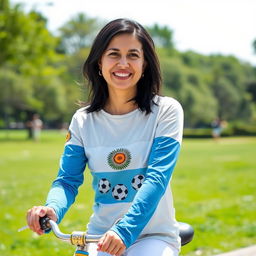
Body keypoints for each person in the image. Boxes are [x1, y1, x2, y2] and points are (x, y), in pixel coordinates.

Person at [26, 18, 184, 256]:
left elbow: (157, 178)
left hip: (153, 237)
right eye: (114, 54)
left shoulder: (166, 111)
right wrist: (52, 209)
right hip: (99, 236)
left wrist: (124, 231)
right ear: (99, 62)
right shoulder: (82, 120)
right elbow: (67, 181)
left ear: (145, 64)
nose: (123, 63)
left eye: (133, 55)